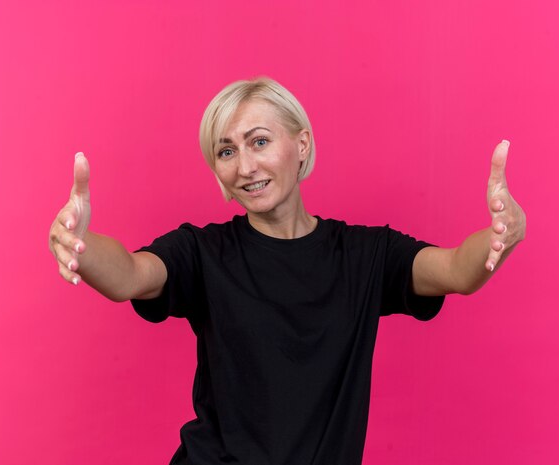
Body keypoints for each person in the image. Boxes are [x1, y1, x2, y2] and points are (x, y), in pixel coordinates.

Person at [48, 77, 526, 465]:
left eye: (259, 141)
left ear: (301, 144)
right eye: (226, 151)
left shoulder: (365, 255)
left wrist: (501, 232)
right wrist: (81, 247)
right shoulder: (203, 251)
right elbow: (131, 274)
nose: (245, 166)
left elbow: (457, 269)